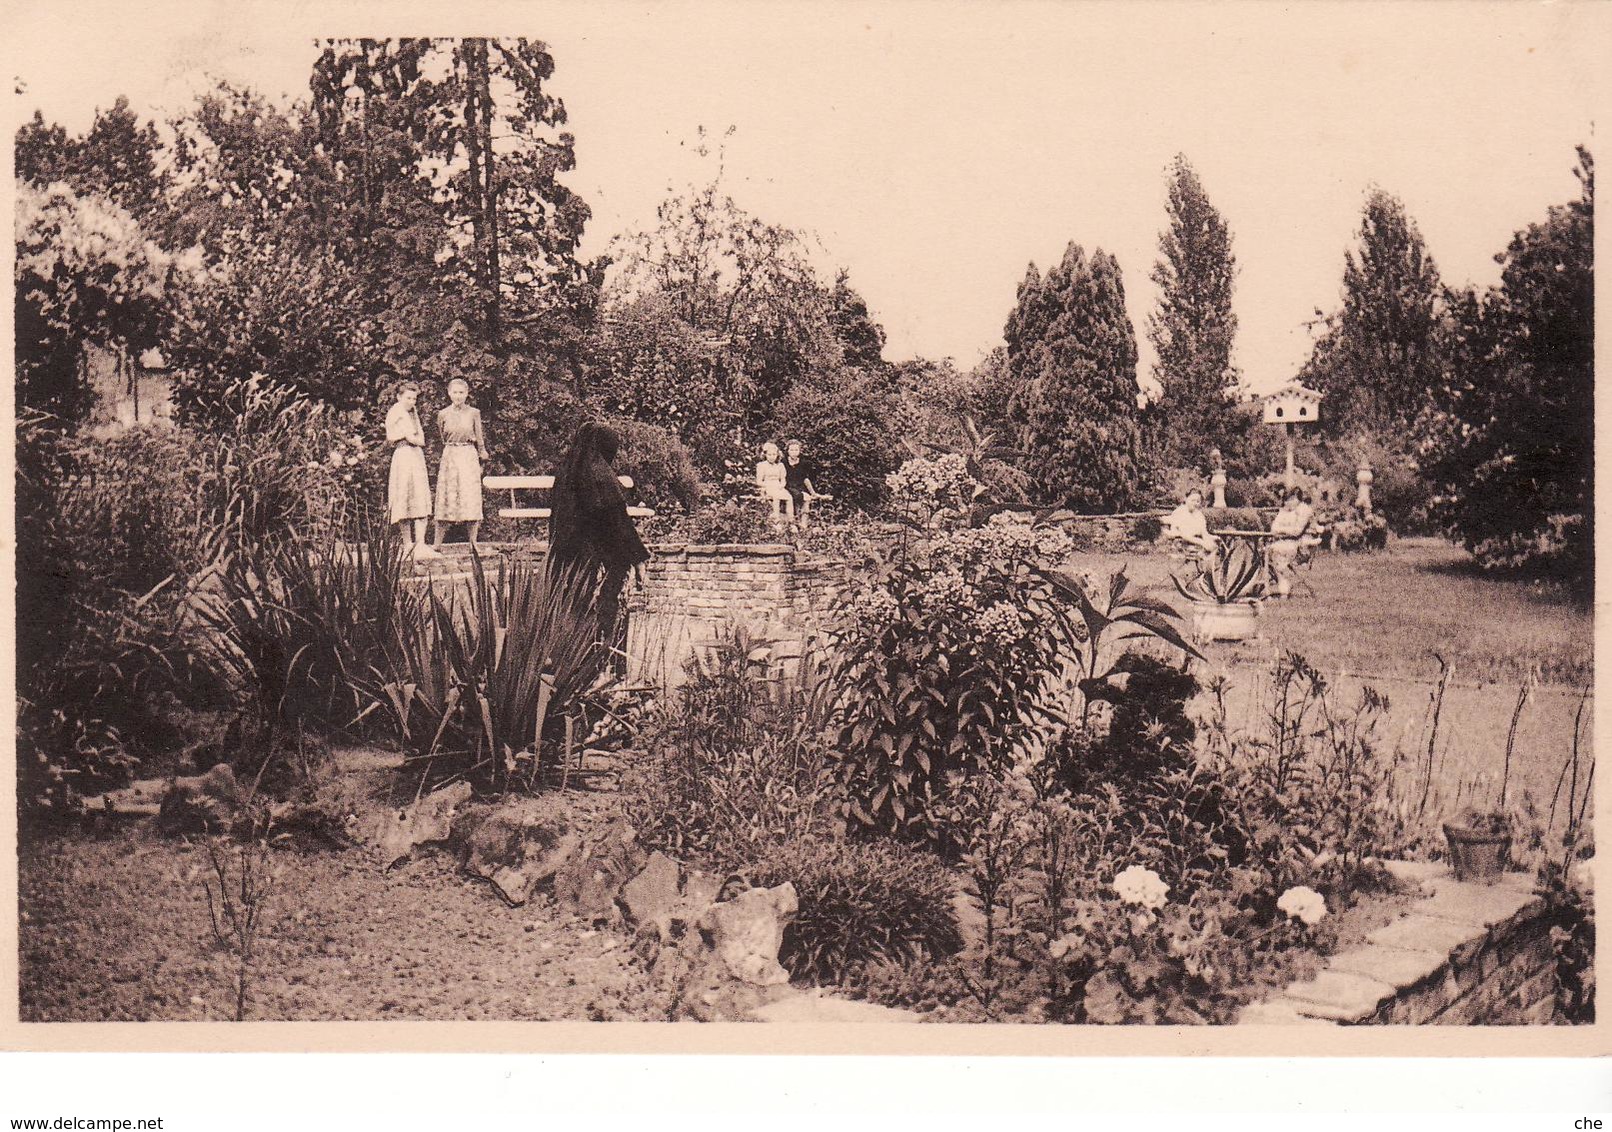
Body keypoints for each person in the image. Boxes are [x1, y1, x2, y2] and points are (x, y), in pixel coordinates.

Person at [549, 421, 651, 675]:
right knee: (604, 614)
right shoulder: (602, 477)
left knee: (571, 616)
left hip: (567, 564)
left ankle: (570, 672)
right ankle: (608, 672)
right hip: (599, 566)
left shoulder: (565, 475)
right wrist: (638, 559)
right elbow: (619, 524)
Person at [433, 378, 489, 549]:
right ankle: (437, 543)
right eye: (455, 392)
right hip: (450, 454)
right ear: (449, 393)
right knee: (446, 496)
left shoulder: (474, 413)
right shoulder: (443, 414)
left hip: (468, 454)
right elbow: (442, 436)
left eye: (461, 392)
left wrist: (482, 452)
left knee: (470, 496)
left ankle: (473, 543)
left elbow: (479, 437)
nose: (458, 396)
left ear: (467, 394)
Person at [386, 381, 438, 559]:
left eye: (414, 398)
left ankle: (420, 543)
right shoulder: (396, 412)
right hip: (403, 455)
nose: (411, 401)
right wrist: (410, 438)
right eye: (408, 397)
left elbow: (421, 439)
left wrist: (414, 439)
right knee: (404, 496)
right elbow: (396, 437)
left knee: (419, 495)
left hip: (416, 456)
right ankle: (407, 543)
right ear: (399, 397)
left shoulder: (413, 413)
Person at [1268, 487, 1319, 598]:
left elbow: (1296, 531)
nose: (1288, 502)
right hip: (1290, 543)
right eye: (1286, 499)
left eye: (1291, 499)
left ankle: (1283, 590)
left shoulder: (1304, 510)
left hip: (1303, 546)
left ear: (1297, 498)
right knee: (1269, 551)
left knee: (1275, 551)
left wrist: (1282, 530)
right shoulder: (1287, 511)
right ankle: (1282, 587)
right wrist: (1285, 529)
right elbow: (1273, 529)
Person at [1163, 489, 1218, 560]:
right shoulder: (1180, 512)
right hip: (1182, 540)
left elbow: (1203, 531)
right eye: (1192, 500)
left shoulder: (1199, 514)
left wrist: (1209, 539)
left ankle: (1208, 559)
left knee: (1214, 543)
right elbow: (1184, 534)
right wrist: (1202, 543)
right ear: (1186, 500)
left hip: (1195, 539)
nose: (1195, 503)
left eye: (1198, 501)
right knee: (1206, 544)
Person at [783, 439, 825, 528]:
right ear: (787, 451)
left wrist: (813, 492)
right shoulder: (783, 462)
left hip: (799, 487)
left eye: (796, 450)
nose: (794, 452)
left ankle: (803, 524)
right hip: (787, 487)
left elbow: (805, 479)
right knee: (795, 497)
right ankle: (792, 524)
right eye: (791, 450)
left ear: (799, 451)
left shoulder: (803, 463)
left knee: (807, 498)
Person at [755, 441, 793, 525]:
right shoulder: (761, 465)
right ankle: (776, 519)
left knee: (789, 497)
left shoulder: (780, 466)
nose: (772, 457)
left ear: (777, 455)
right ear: (765, 455)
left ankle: (791, 520)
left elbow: (783, 480)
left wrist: (781, 486)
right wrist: (768, 485)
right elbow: (759, 481)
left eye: (774, 455)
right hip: (767, 486)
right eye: (769, 455)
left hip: (778, 486)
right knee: (776, 496)